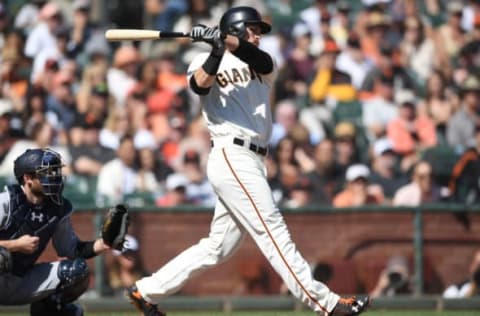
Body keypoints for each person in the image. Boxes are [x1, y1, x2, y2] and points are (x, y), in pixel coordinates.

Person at [126, 6, 369, 316]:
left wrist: (224, 41)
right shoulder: (201, 60)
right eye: (253, 29)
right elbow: (198, 85)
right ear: (238, 28)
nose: (258, 35)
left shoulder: (263, 63)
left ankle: (146, 291)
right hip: (231, 153)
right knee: (272, 229)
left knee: (219, 246)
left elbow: (261, 60)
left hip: (253, 159)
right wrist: (215, 50)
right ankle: (327, 304)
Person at [0, 148, 122, 315]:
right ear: (28, 178)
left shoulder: (56, 208)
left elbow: (71, 250)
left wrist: (104, 243)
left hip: (19, 281)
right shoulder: (6, 201)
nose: (54, 177)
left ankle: (47, 310)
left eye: (54, 171)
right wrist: (14, 245)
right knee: (2, 255)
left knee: (76, 271)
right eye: (46, 172)